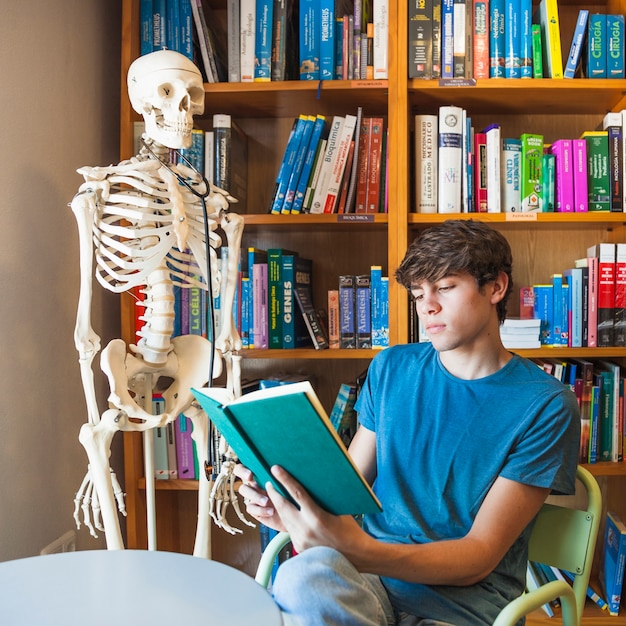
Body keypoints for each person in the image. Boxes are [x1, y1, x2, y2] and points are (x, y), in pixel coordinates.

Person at [235, 219, 580, 626]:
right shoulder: (392, 367)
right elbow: (346, 488)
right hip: (369, 586)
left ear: (496, 288)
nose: (427, 306)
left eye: (445, 287)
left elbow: (479, 556)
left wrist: (358, 549)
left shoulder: (546, 405)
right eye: (418, 293)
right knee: (298, 579)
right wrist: (289, 510)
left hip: (462, 610)